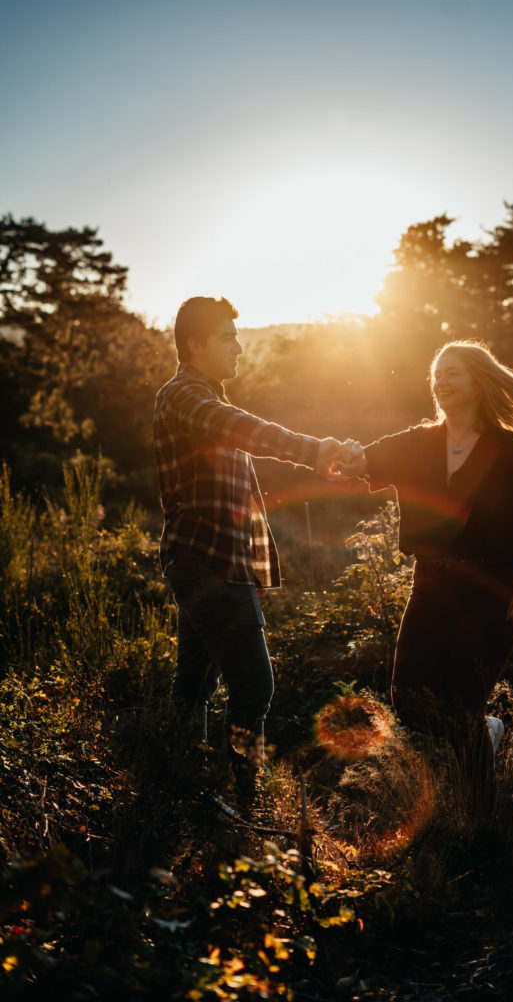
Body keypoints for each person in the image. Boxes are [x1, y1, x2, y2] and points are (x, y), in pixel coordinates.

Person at [339, 339, 513, 791]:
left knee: (462, 706)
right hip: (431, 585)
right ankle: (488, 733)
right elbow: (361, 459)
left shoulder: (504, 448)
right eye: (437, 374)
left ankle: (481, 819)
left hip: (491, 588)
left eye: (453, 372)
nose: (441, 381)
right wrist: (330, 452)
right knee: (411, 701)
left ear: (478, 381)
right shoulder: (416, 442)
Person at [153, 296, 351, 799]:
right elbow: (245, 429)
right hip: (208, 567)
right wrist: (313, 451)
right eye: (226, 337)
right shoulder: (184, 396)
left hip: (213, 565)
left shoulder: (203, 398)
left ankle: (184, 782)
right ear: (195, 344)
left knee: (195, 684)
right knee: (255, 687)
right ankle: (247, 794)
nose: (238, 347)